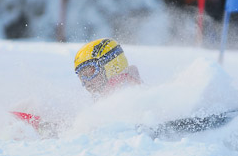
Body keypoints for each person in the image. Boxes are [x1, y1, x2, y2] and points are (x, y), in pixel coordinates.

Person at [12, 38, 141, 136]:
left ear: (111, 64)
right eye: (81, 76)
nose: (86, 82)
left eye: (90, 72)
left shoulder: (131, 94)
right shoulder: (109, 97)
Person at [74, 38, 142, 98]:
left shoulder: (129, 93)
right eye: (81, 77)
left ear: (112, 65)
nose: (87, 83)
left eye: (91, 73)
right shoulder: (110, 96)